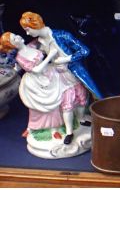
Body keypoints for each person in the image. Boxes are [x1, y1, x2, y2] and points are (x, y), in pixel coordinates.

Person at [19, 11, 103, 144]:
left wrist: (67, 58)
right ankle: (69, 132)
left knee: (82, 98)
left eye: (28, 29)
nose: (27, 33)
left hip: (74, 73)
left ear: (35, 25)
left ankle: (81, 120)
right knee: (67, 104)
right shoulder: (38, 42)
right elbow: (25, 51)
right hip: (58, 77)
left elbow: (85, 50)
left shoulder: (62, 35)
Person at [0, 32, 66, 131]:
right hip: (37, 80)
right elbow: (35, 70)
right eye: (14, 39)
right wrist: (49, 56)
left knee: (60, 95)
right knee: (46, 104)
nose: (18, 36)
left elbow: (42, 40)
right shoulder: (20, 58)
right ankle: (43, 127)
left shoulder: (31, 46)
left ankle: (59, 124)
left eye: (16, 34)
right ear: (13, 45)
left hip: (48, 74)